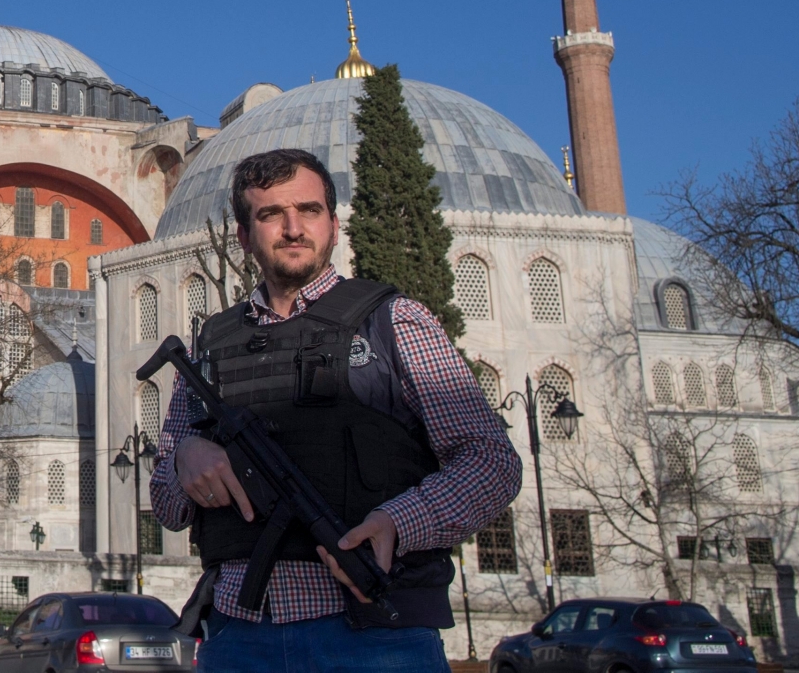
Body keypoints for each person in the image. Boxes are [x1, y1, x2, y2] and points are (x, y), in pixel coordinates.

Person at [150, 148, 522, 672]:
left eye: (309, 211)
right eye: (271, 214)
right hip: (238, 636)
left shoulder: (393, 322)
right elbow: (167, 506)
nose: (293, 228)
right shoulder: (212, 346)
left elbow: (492, 463)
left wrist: (400, 521)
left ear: (334, 224)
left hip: (373, 638)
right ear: (243, 235)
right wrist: (185, 457)